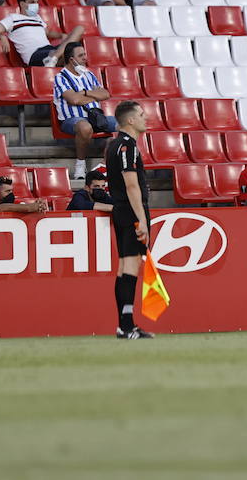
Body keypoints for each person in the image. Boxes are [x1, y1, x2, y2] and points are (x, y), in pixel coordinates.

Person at [106, 100, 154, 339]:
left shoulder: (114, 145)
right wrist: (141, 219)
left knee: (124, 266)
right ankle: (127, 326)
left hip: (121, 210)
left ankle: (124, 324)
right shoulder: (128, 146)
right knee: (131, 267)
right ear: (131, 120)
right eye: (142, 115)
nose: (146, 118)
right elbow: (131, 185)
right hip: (131, 211)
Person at [52, 42, 115, 179]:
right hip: (71, 120)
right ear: (71, 60)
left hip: (96, 117)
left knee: (124, 123)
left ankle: (106, 163)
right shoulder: (61, 77)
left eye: (85, 54)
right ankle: (80, 164)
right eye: (81, 56)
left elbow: (105, 94)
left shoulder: (88, 74)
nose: (85, 58)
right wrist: (94, 96)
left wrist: (85, 93)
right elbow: (74, 100)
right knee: (85, 127)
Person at [0, 0, 85, 68]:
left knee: (79, 30)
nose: (36, 5)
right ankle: (55, 59)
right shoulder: (13, 18)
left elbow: (48, 33)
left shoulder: (37, 18)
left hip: (50, 50)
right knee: (72, 54)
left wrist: (61, 35)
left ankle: (53, 59)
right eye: (32, 2)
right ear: (22, 4)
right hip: (34, 55)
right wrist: (2, 37)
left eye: (36, 2)